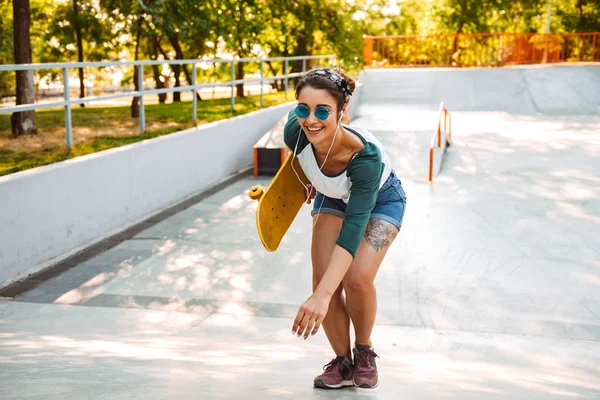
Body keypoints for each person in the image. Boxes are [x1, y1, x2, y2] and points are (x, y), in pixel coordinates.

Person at [284, 68, 407, 389]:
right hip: (333, 195)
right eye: (303, 109)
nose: (311, 119)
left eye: (322, 111)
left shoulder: (365, 159)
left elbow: (353, 230)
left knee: (355, 277)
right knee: (322, 275)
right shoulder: (294, 131)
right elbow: (294, 157)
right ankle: (343, 362)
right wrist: (306, 180)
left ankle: (364, 350)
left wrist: (322, 298)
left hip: (380, 199)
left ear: (342, 112)